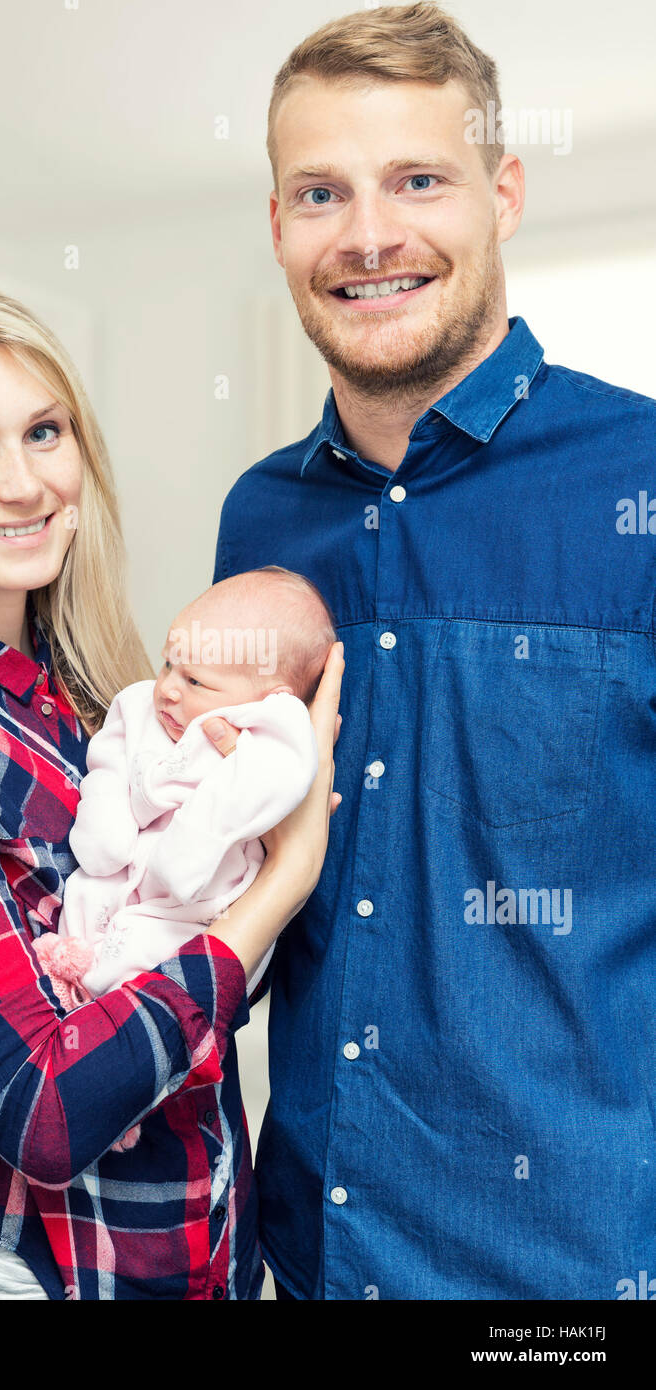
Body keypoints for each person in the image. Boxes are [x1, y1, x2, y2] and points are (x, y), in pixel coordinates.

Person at [213, 3, 656, 1299]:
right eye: (318, 191)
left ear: (501, 194)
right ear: (279, 223)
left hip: (566, 1277)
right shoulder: (261, 518)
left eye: (417, 178)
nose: (366, 235)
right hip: (302, 1257)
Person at [0, 278, 343, 1300]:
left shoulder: (104, 694)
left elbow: (201, 981)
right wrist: (281, 881)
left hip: (185, 1251)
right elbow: (41, 1109)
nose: (23, 481)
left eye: (44, 431)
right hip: (8, 1270)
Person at [32, 567, 336, 1155]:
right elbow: (110, 759)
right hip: (128, 876)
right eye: (170, 661)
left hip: (198, 905)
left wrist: (183, 855)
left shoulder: (271, 743)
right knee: (91, 894)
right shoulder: (145, 707)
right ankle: (70, 999)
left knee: (162, 980)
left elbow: (232, 807)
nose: (168, 687)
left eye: (195, 678)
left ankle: (120, 1085)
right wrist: (106, 827)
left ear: (265, 699)